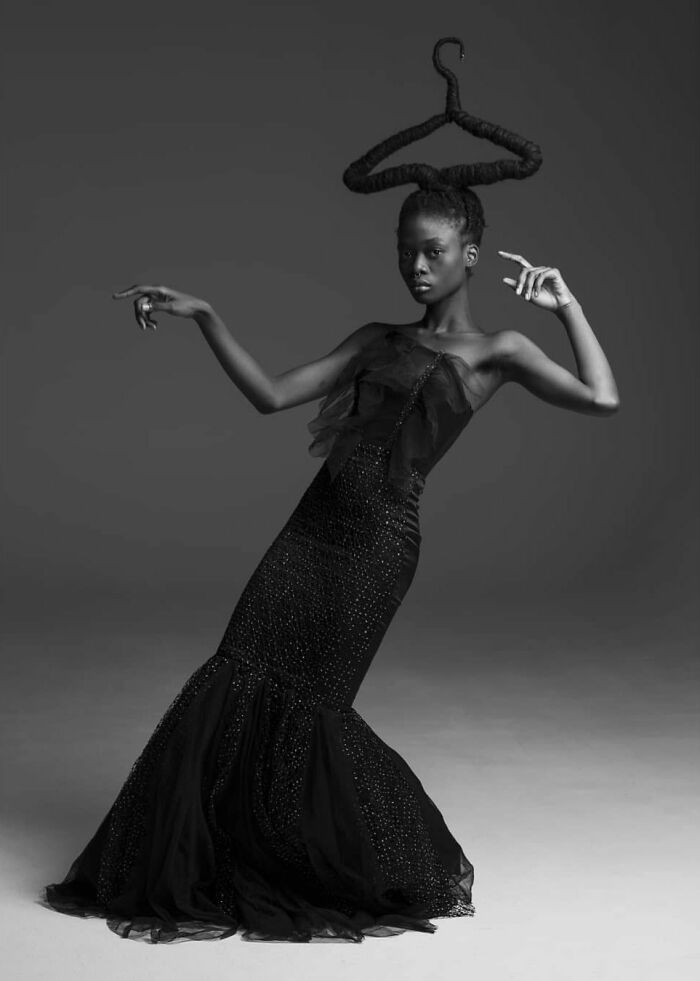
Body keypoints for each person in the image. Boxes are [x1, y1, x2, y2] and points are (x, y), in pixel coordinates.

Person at [41, 37, 620, 945]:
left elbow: (602, 398)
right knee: (237, 672)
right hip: (309, 532)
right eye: (405, 253)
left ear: (472, 250)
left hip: (378, 548)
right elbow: (272, 395)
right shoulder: (375, 334)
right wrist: (207, 315)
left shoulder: (499, 352)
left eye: (432, 252)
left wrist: (565, 306)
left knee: (311, 705)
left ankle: (331, 855)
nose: (415, 268)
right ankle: (221, 846)